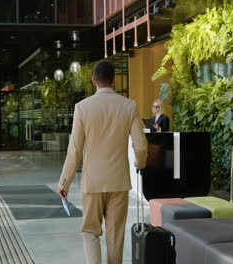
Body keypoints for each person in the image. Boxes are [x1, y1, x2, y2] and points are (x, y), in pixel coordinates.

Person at [56, 61, 148, 264]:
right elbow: (140, 146)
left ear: (93, 81)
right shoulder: (129, 106)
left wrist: (64, 183)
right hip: (119, 182)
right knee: (115, 237)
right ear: (113, 80)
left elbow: (75, 150)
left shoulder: (82, 108)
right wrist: (139, 164)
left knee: (90, 232)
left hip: (93, 183)